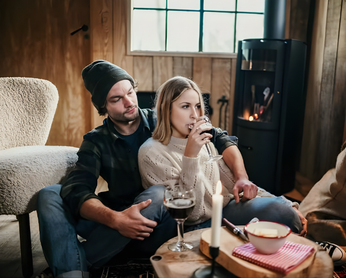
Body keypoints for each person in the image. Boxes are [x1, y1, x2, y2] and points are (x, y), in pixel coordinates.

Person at [36, 61, 243, 278]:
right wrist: (116, 219)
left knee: (158, 194)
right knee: (49, 194)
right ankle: (73, 272)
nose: (128, 102)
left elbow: (219, 136)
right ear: (102, 107)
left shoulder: (161, 119)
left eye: (130, 92)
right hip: (117, 220)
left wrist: (241, 176)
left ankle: (79, 261)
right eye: (116, 99)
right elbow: (78, 188)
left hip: (159, 222)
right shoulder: (96, 141)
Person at [138, 76, 308, 233]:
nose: (194, 115)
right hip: (190, 228)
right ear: (166, 109)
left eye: (197, 106)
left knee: (285, 213)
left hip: (223, 211)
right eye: (185, 106)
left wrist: (286, 204)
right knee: (279, 218)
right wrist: (191, 156)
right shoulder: (151, 153)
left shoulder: (205, 142)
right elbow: (192, 215)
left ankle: (300, 252)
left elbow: (235, 184)